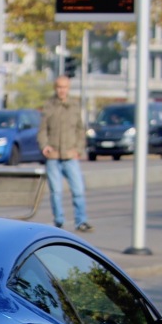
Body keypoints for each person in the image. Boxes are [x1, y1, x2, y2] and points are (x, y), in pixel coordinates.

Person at [39, 76, 91, 232]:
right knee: (56, 192)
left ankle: (81, 221)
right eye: (59, 87)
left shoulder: (74, 106)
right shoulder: (49, 106)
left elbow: (80, 130)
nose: (62, 90)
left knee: (78, 191)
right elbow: (42, 130)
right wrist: (44, 146)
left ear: (68, 88)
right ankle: (59, 221)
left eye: (65, 87)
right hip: (53, 156)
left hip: (70, 155)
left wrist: (79, 149)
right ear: (56, 88)